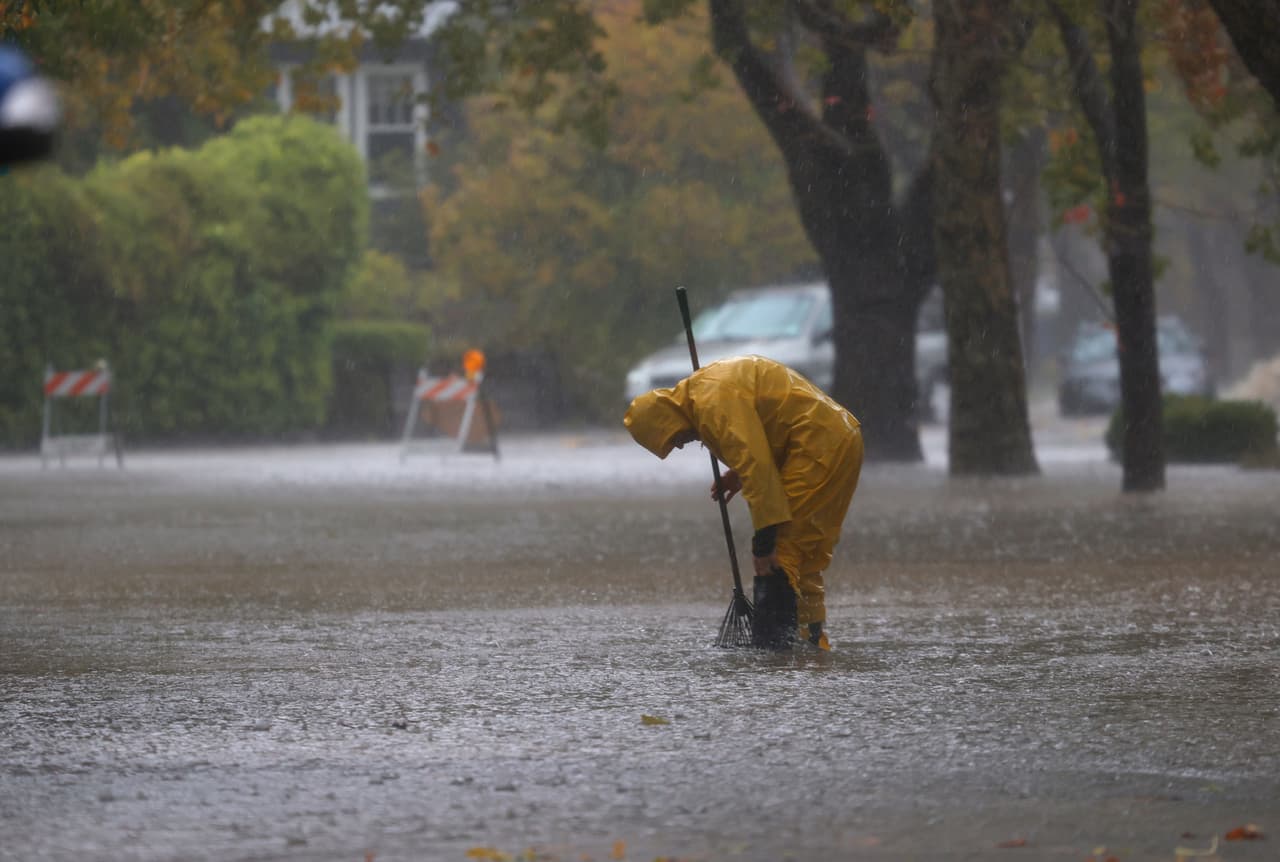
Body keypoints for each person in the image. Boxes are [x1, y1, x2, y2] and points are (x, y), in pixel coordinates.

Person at [623, 354, 863, 650]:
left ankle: (776, 651)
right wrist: (737, 475)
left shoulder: (710, 401)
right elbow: (762, 436)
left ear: (665, 421)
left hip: (817, 444)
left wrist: (763, 545)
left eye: (674, 440)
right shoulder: (703, 394)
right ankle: (811, 647)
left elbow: (758, 469)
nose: (681, 444)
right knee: (805, 556)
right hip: (839, 436)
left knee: (782, 552)